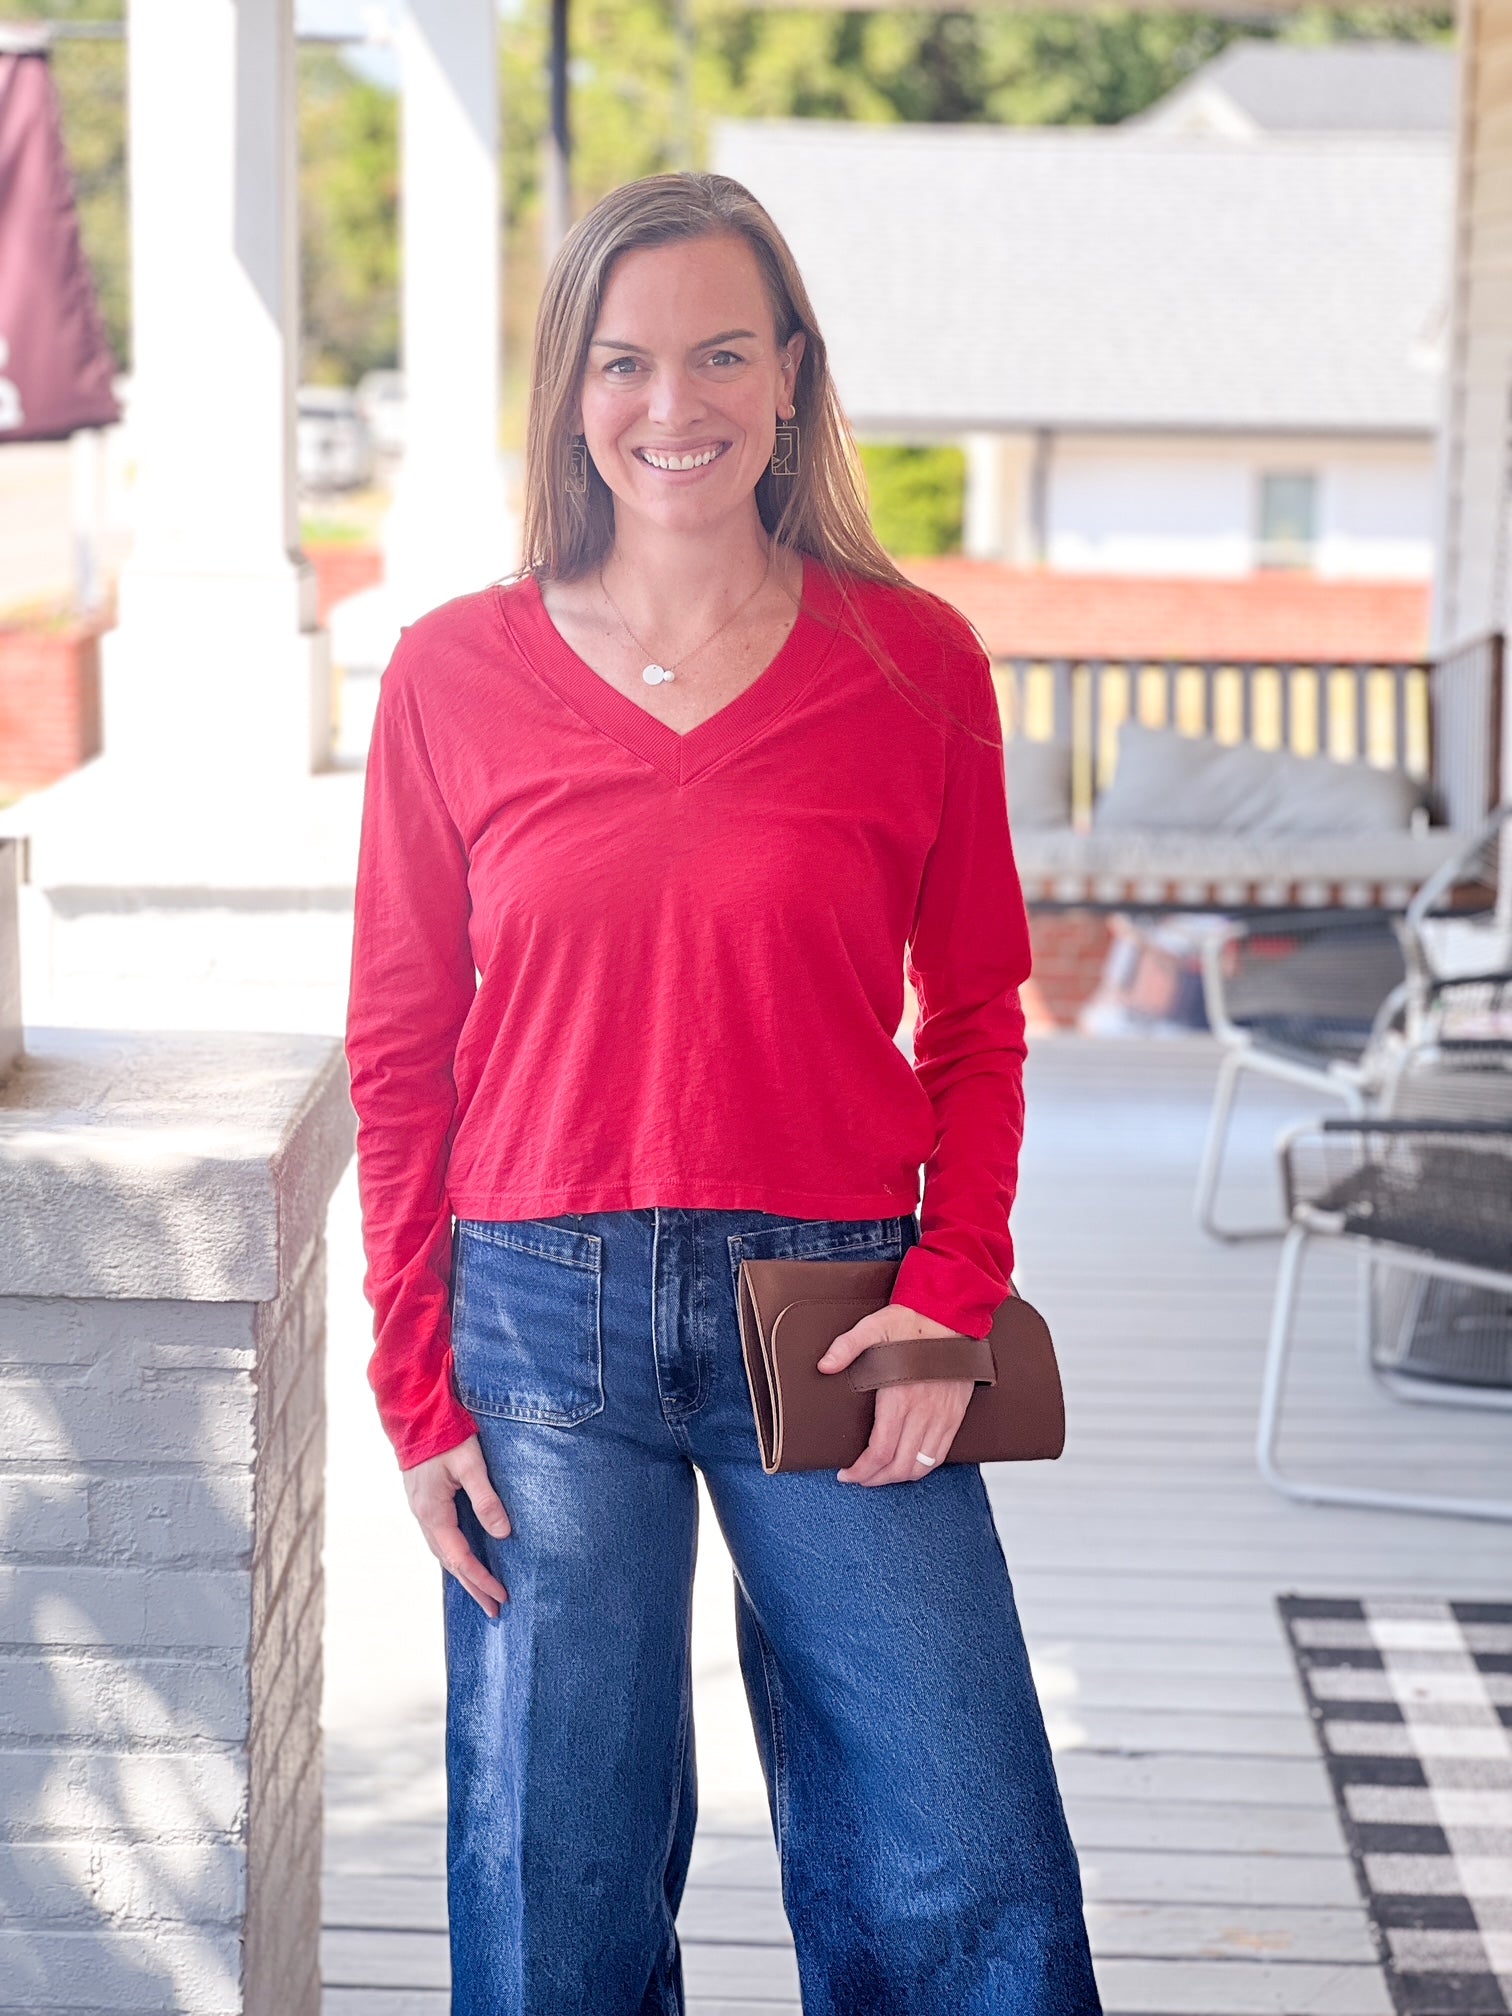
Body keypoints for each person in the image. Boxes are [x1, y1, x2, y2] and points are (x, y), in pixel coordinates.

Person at [345, 170, 1101, 2016]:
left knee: (965, 1852)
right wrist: (416, 1386)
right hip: (538, 1332)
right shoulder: (452, 672)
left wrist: (949, 1297)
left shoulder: (910, 663)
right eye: (624, 362)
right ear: (569, 390)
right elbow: (398, 1047)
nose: (669, 404)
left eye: (718, 355)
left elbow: (983, 1012)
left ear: (788, 382)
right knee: (554, 1887)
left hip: (841, 1319)